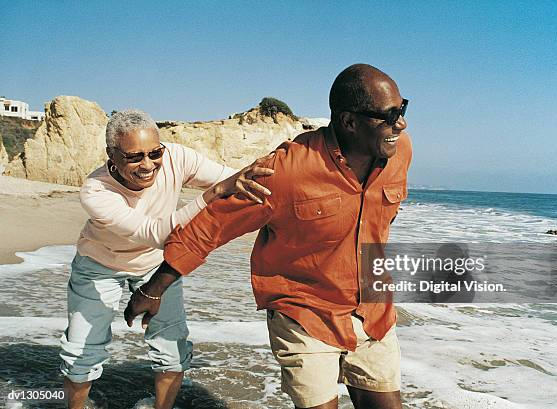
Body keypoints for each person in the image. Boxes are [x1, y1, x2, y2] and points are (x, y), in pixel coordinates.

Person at [125, 64, 412, 409]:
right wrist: (152, 289)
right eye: (390, 115)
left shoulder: (398, 152)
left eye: (402, 109)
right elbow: (211, 226)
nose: (401, 123)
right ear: (350, 121)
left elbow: (382, 218)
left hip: (373, 312)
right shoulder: (286, 171)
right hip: (305, 315)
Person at [60, 109, 273, 409]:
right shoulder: (95, 191)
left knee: (171, 347)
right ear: (112, 155)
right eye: (135, 157)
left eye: (154, 152)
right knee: (82, 350)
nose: (148, 165)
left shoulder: (177, 158)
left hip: (156, 265)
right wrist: (212, 195)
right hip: (99, 267)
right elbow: (153, 232)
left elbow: (230, 180)